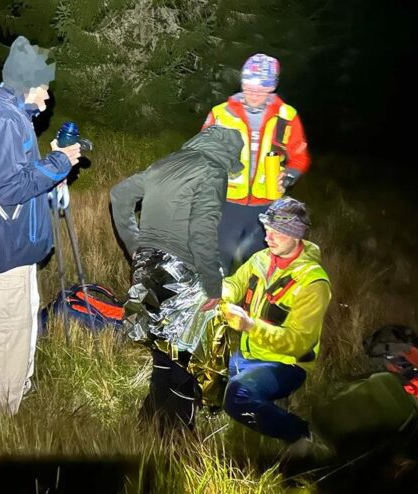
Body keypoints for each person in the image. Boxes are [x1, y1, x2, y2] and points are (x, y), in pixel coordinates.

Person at [0, 36, 81, 415]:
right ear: (28, 85)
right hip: (7, 246)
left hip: (17, 244)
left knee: (21, 323)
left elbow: (18, 174)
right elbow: (7, 187)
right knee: (8, 331)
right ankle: (0, 413)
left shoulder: (10, 115)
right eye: (44, 89)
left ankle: (18, 388)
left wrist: (50, 169)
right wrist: (60, 164)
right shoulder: (4, 120)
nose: (47, 98)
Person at [110, 125, 243, 430]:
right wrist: (213, 285)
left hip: (147, 266)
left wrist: (137, 246)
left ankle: (151, 418)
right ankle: (177, 430)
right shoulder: (212, 170)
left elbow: (119, 195)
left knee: (162, 340)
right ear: (226, 156)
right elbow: (201, 232)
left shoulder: (165, 163)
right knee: (190, 348)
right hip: (179, 268)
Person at [220, 196, 330, 443]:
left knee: (237, 396)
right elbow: (234, 284)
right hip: (249, 355)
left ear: (296, 235)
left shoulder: (313, 282)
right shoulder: (261, 259)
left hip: (286, 364)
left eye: (276, 233)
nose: (267, 238)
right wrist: (220, 296)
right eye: (267, 230)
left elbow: (299, 343)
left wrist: (250, 326)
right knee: (205, 372)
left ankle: (301, 434)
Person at [202, 53, 311, 275]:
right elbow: (201, 154)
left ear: (272, 88)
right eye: (248, 86)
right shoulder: (221, 114)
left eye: (260, 89)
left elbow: (300, 157)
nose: (253, 93)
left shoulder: (287, 117)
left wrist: (289, 175)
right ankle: (211, 307)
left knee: (257, 269)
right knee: (216, 265)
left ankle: (247, 308)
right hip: (226, 204)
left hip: (266, 208)